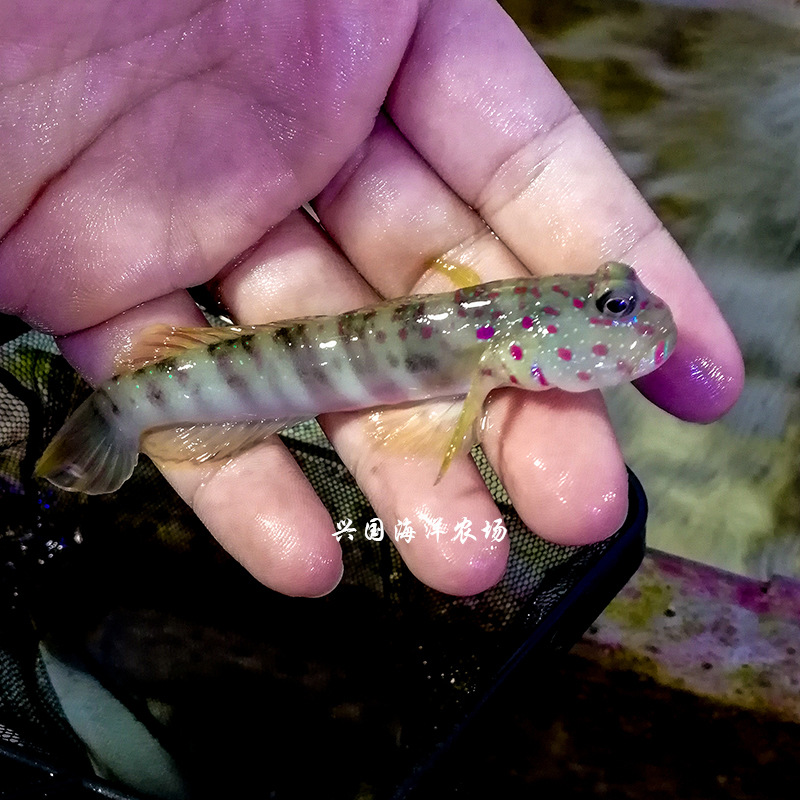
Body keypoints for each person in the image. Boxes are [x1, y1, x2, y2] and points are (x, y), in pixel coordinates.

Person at [0, 0, 743, 597]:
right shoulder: (494, 330)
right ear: (533, 328)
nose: (628, 322)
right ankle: (123, 414)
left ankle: (126, 414)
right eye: (611, 307)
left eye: (610, 303)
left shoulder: (498, 331)